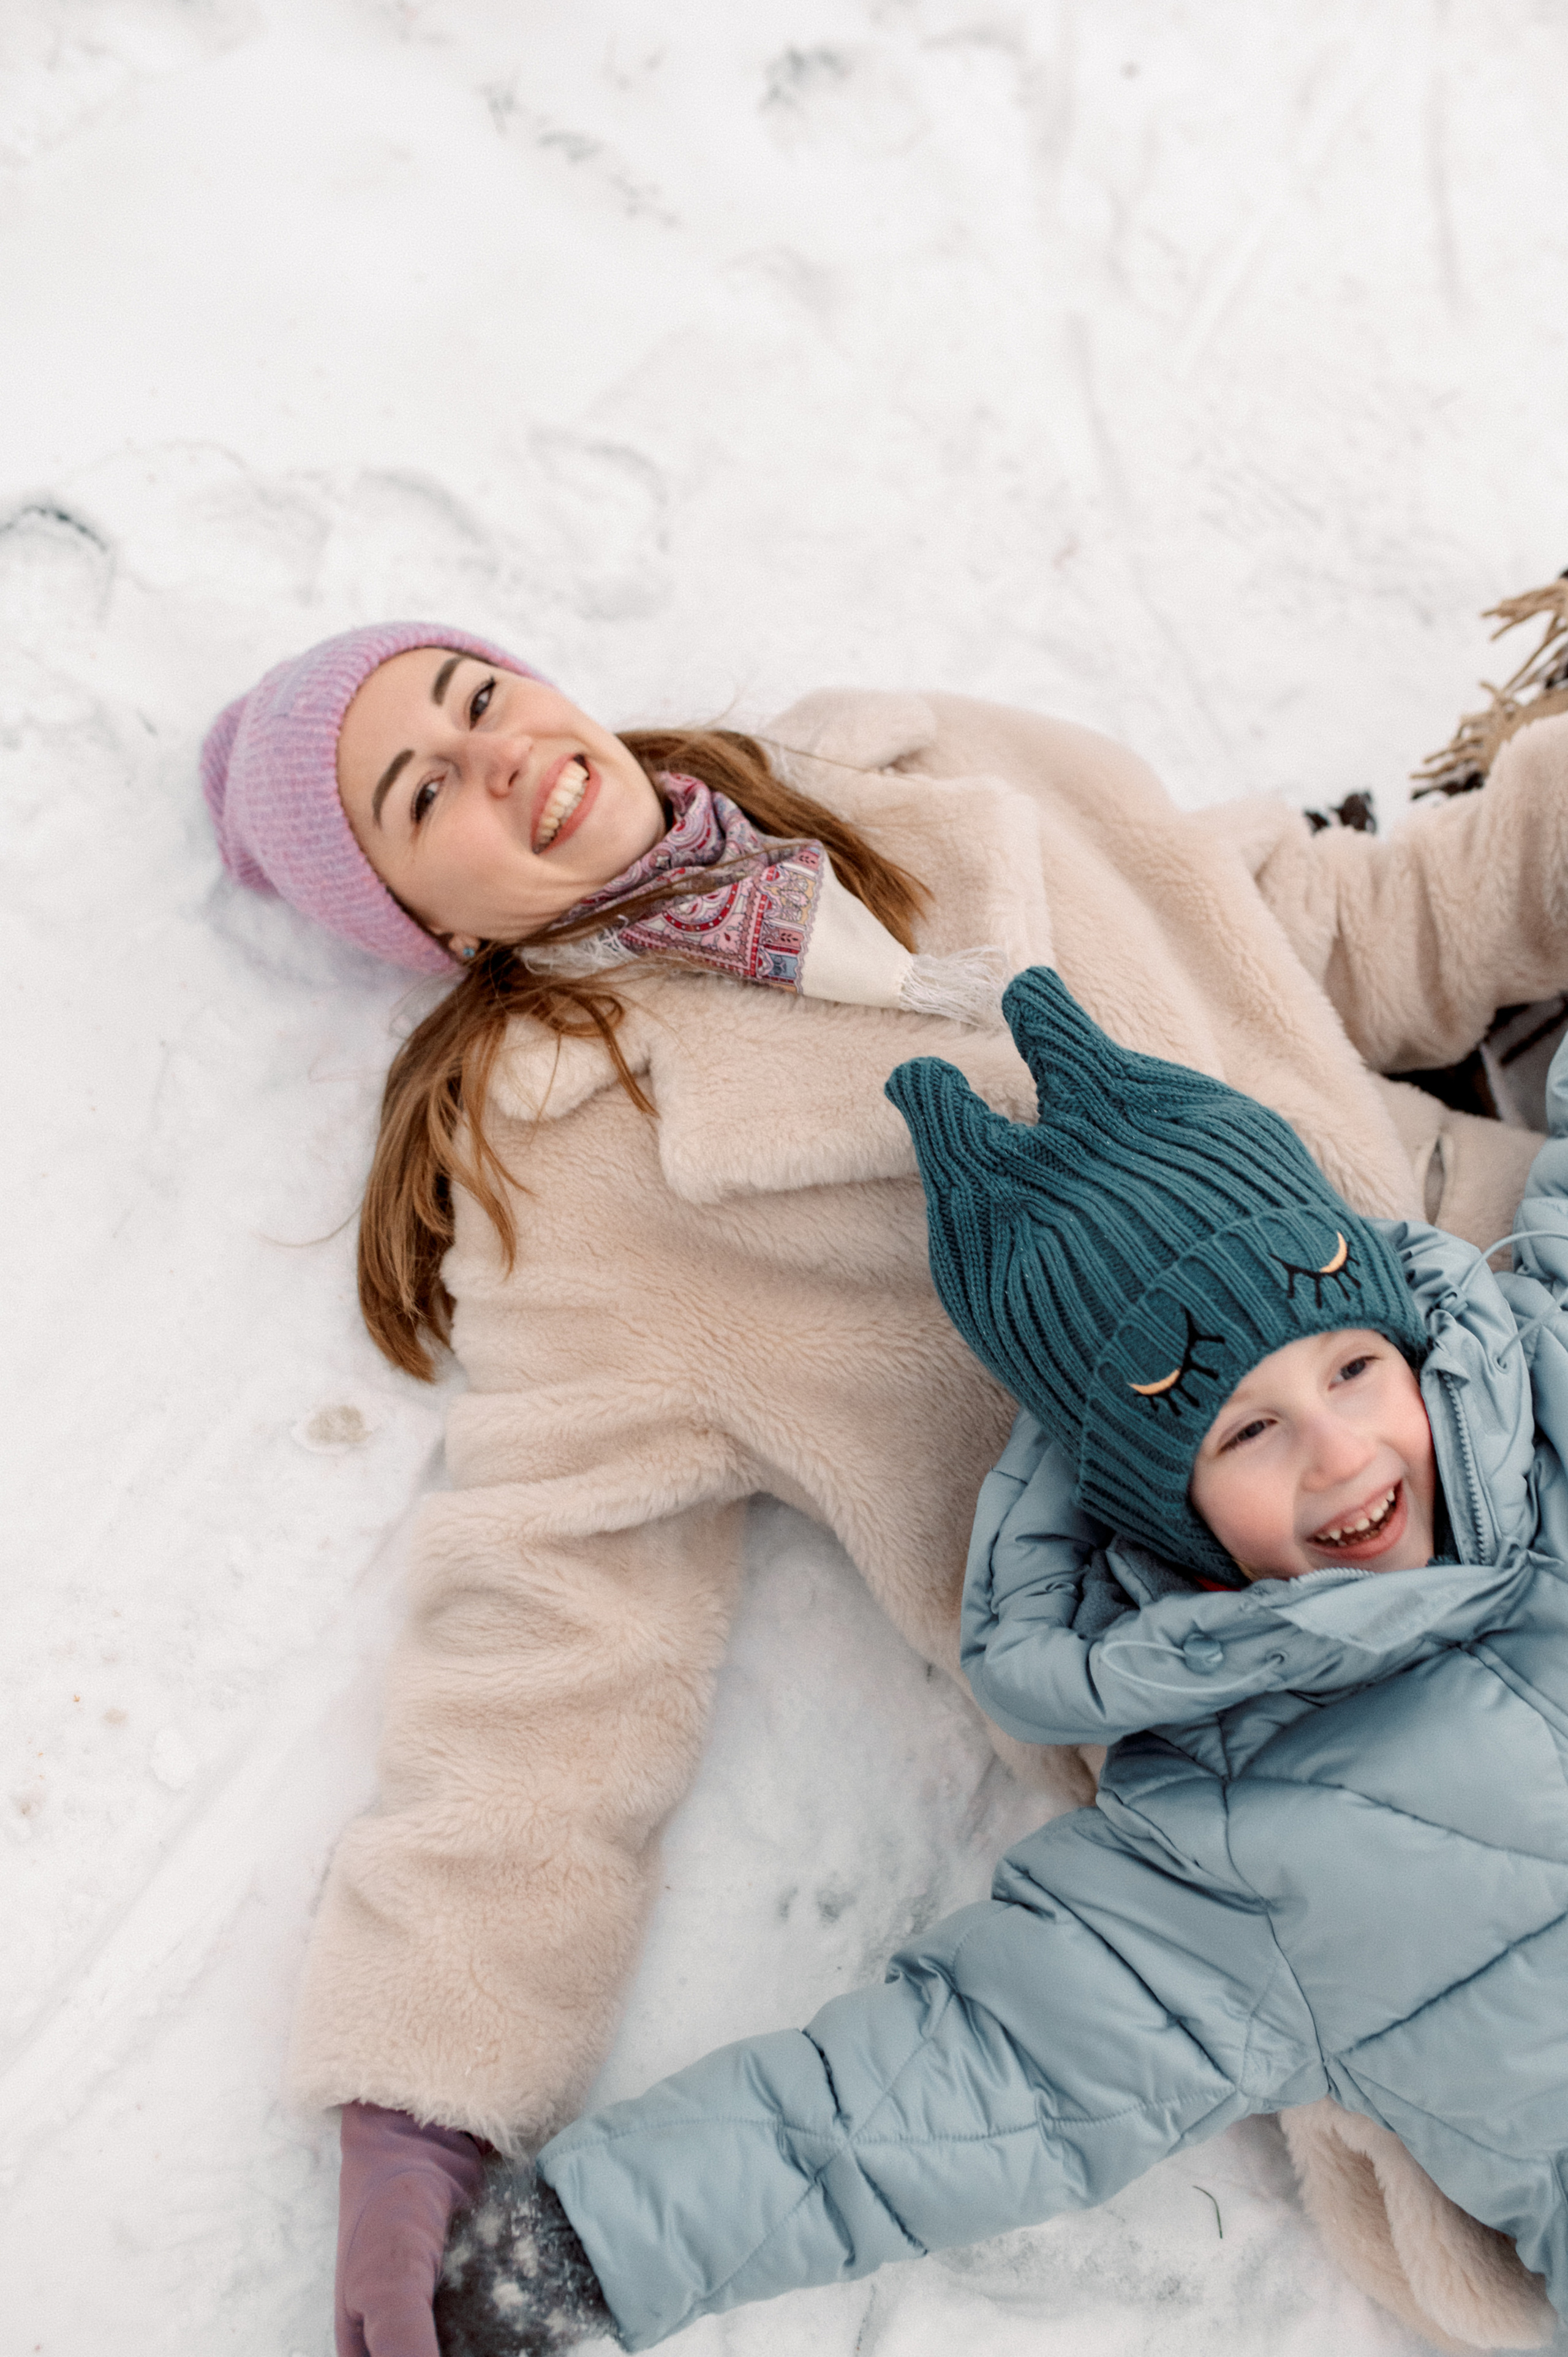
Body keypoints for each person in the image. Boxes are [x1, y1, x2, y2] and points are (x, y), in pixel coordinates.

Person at [200, 613, 1568, 2355]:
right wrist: (427, 2095)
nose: (497, 757)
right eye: (422, 794)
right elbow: (552, 1636)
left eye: (479, 697)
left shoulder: (947, 778)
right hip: (1292, 1676)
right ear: (434, 926)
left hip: (1508, 1353)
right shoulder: (589, 1188)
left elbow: (1346, 933)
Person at [435, 969, 1568, 2357]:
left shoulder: (1547, 1374)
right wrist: (591, 2242)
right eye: (1243, 1433)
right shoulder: (1228, 1841)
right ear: (1169, 1511)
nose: (1339, 1453)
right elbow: (971, 2078)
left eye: (1347, 1369)